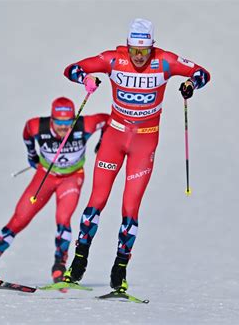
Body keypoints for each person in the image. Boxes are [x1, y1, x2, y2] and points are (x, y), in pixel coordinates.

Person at [61, 18, 211, 292]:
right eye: (134, 50)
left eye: (144, 51)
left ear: (152, 47)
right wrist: (86, 78)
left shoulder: (165, 61)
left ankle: (119, 272)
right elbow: (71, 69)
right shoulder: (113, 59)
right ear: (128, 45)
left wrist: (191, 84)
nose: (139, 56)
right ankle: (78, 262)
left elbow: (202, 72)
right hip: (114, 138)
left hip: (144, 142)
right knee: (96, 201)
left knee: (130, 208)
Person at [0, 97, 108, 283]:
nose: (64, 127)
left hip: (71, 178)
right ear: (52, 119)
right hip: (45, 176)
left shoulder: (85, 124)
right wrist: (32, 155)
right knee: (19, 219)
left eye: (68, 122)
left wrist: (103, 143)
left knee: (63, 219)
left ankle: (59, 268)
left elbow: (109, 120)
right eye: (59, 123)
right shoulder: (37, 126)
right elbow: (27, 132)